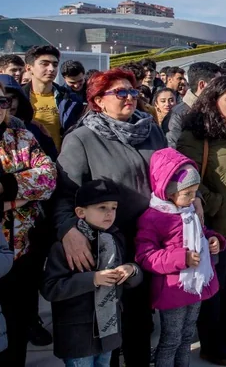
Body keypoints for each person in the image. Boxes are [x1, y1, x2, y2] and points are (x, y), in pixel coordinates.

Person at [55, 68, 168, 367]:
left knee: (141, 316)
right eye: (120, 92)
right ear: (98, 100)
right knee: (110, 322)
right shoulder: (82, 138)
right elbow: (64, 195)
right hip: (107, 242)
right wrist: (68, 231)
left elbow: (172, 173)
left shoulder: (150, 130)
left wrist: (192, 198)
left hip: (149, 238)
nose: (129, 97)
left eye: (133, 91)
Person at [175, 76, 226, 364]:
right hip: (214, 224)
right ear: (213, 101)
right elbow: (186, 178)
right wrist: (215, 203)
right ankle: (211, 343)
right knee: (214, 286)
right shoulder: (196, 136)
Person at [135, 149, 226, 367]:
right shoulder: (154, 218)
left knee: (186, 336)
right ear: (169, 191)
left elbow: (202, 233)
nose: (193, 198)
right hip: (173, 289)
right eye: (188, 193)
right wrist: (182, 258)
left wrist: (213, 240)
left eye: (195, 192)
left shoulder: (189, 211)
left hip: (196, 284)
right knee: (171, 339)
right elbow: (145, 256)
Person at [41, 180, 143, 367]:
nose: (109, 213)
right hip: (78, 337)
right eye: (102, 207)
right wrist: (93, 279)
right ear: (81, 212)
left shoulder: (116, 238)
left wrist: (131, 270)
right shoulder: (64, 247)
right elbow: (51, 288)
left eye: (113, 208)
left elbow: (134, 271)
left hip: (109, 332)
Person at [0, 81, 58, 366]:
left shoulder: (20, 136)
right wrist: (24, 196)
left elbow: (48, 177)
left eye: (2, 102)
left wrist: (7, 189)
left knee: (16, 324)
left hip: (19, 249)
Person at [23, 45, 83, 153]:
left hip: (63, 158)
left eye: (55, 65)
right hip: (29, 159)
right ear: (28, 68)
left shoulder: (70, 99)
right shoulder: (18, 98)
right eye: (44, 64)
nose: (51, 69)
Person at [165, 62, 221, 148]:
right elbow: (173, 150)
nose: (222, 88)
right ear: (202, 85)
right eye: (217, 84)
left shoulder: (220, 108)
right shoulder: (178, 115)